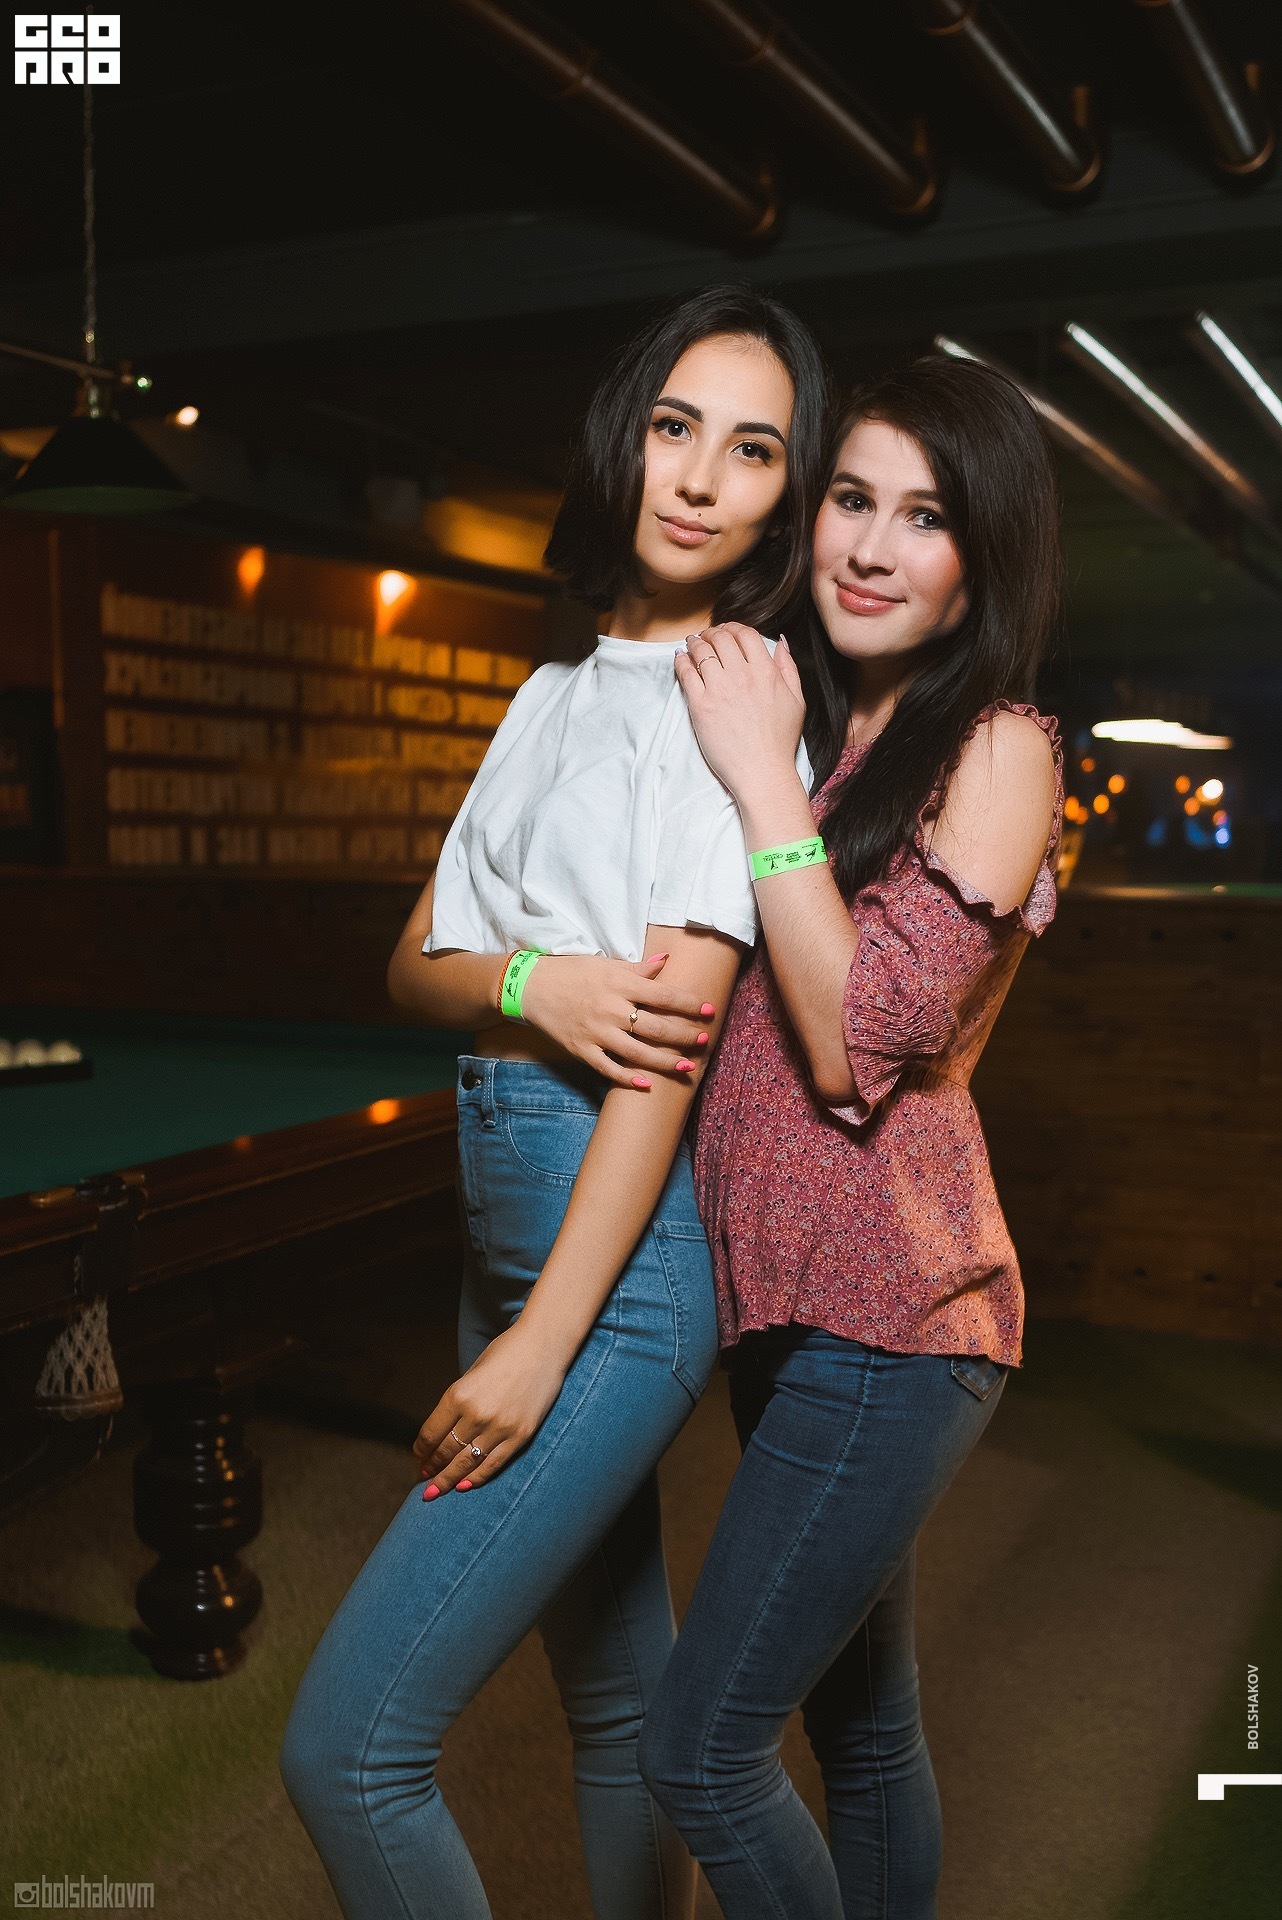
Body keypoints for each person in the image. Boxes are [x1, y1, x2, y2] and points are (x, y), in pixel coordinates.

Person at [278, 286, 831, 1920]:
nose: (699, 478)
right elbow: (413, 964)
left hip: (613, 1273)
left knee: (348, 1749)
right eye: (674, 428)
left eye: (752, 451)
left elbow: (661, 1067)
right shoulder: (551, 691)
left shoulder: (737, 701)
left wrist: (543, 1344)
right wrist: (537, 982)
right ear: (623, 438)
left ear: (783, 500)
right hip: (503, 1234)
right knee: (619, 1706)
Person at [635, 353, 1064, 1920]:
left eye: (925, 517)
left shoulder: (996, 746)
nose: (871, 548)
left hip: (895, 1319)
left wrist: (760, 780)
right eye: (850, 500)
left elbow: (851, 1047)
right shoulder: (815, 732)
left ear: (981, 559)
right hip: (790, 1306)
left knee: (699, 1752)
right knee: (862, 1730)